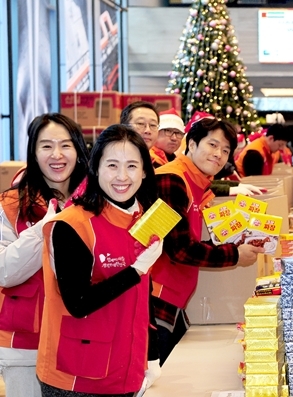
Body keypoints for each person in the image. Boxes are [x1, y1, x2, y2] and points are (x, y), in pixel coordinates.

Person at [37, 124, 163, 396]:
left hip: (127, 368)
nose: (122, 176)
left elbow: (143, 297)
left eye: (131, 166)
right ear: (95, 168)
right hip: (77, 378)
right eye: (112, 165)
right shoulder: (72, 225)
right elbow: (78, 303)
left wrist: (151, 354)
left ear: (144, 171)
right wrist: (136, 269)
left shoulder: (143, 217)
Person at [150, 116, 265, 365]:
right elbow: (178, 250)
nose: (219, 155)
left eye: (225, 150)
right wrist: (234, 255)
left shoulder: (197, 183)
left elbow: (188, 241)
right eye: (212, 145)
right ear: (191, 144)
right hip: (157, 297)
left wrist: (235, 245)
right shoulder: (171, 180)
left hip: (174, 297)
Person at [0, 113, 88, 397]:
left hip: (83, 341)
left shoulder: (94, 204)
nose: (57, 154)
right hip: (24, 347)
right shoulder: (11, 204)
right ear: (34, 153)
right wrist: (44, 228)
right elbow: (4, 271)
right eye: (46, 145)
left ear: (78, 150)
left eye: (65, 145)